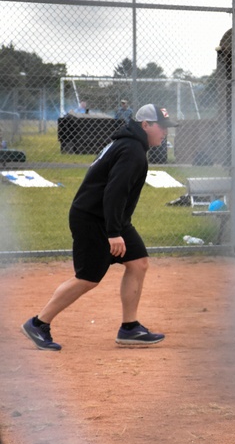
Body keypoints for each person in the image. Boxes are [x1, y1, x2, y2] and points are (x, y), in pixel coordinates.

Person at [21, 104, 177, 351]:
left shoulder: (130, 145)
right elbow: (114, 192)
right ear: (145, 125)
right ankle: (39, 323)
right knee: (87, 278)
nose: (165, 132)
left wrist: (117, 227)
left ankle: (130, 328)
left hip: (110, 218)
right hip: (93, 218)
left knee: (138, 262)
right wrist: (113, 232)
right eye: (162, 126)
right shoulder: (132, 150)